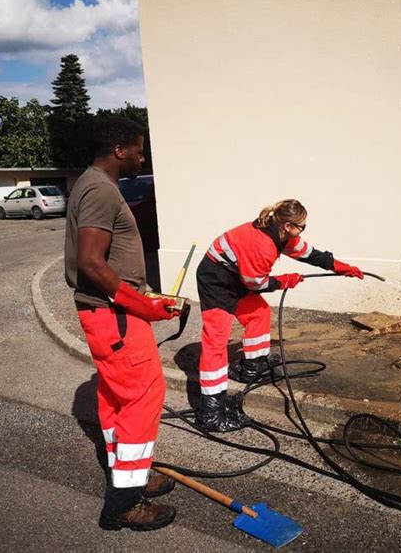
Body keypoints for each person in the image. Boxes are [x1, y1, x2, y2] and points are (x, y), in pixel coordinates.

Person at [64, 116, 179, 531]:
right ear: (119, 150)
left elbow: (107, 262)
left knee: (117, 399)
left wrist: (147, 297)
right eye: (138, 149)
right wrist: (142, 307)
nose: (141, 156)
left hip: (113, 313)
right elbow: (91, 262)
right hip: (115, 317)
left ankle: (132, 472)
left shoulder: (94, 184)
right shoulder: (99, 188)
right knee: (143, 396)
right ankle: (124, 504)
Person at [195, 199, 363, 432]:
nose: (303, 230)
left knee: (260, 314)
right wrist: (285, 281)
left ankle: (252, 368)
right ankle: (211, 412)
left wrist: (343, 267)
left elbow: (311, 254)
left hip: (236, 276)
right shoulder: (261, 244)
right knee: (215, 341)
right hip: (216, 280)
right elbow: (256, 283)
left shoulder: (283, 235)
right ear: (286, 225)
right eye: (301, 226)